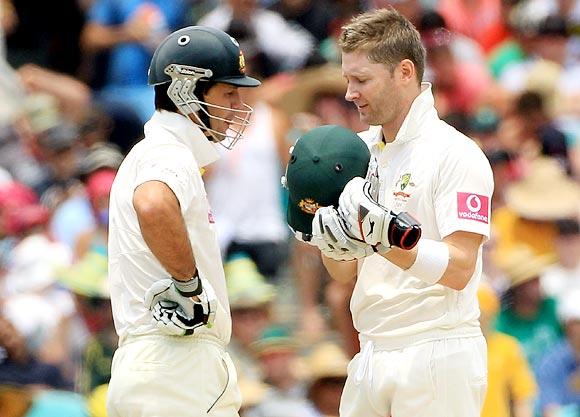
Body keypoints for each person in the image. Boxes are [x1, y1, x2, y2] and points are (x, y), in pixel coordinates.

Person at [305, 8, 494, 417]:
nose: (350, 93)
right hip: (371, 347)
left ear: (404, 72)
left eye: (362, 80)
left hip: (436, 350)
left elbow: (461, 268)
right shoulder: (356, 153)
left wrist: (383, 239)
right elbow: (344, 273)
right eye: (347, 80)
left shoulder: (455, 153)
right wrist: (330, 240)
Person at [106, 26, 261, 417]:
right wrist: (189, 287)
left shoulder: (155, 152)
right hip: (176, 364)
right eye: (229, 93)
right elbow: (153, 204)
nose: (237, 106)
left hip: (158, 365)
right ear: (185, 91)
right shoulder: (168, 152)